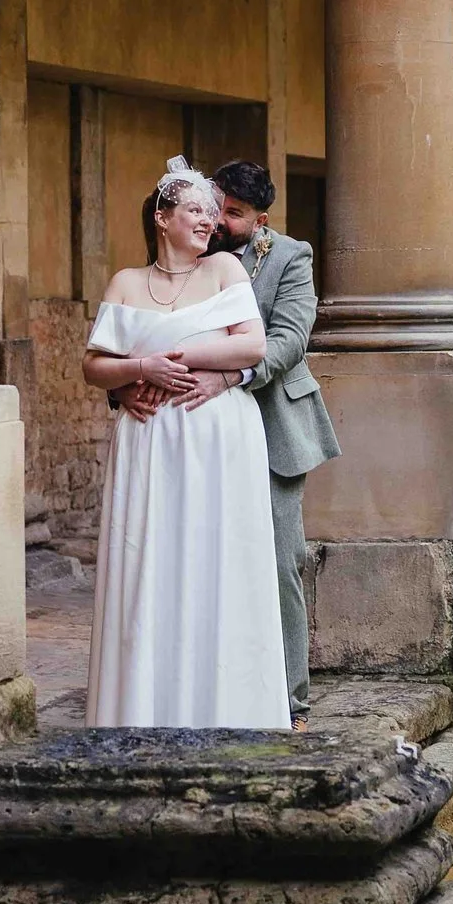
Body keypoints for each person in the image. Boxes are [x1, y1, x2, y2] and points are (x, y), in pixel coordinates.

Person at [122, 159, 338, 725]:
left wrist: (234, 375)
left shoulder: (290, 258)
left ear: (260, 220)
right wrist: (127, 388)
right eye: (214, 206)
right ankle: (198, 694)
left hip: (269, 426)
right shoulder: (186, 250)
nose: (217, 220)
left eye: (232, 215)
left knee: (276, 560)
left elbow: (289, 339)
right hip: (187, 435)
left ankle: (288, 701)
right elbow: (145, 325)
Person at [80, 158, 289, 728]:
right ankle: (143, 710)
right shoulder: (125, 282)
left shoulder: (224, 268)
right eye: (195, 209)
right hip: (148, 440)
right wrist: (136, 369)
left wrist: (170, 359)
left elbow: (251, 347)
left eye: (211, 211)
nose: (208, 219)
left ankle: (226, 709)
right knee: (149, 561)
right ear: (161, 216)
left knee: (215, 562)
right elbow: (95, 366)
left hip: (216, 436)